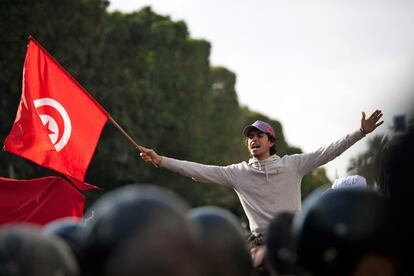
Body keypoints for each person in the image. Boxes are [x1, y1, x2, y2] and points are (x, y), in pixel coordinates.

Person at [139, 110, 383, 264]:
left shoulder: (293, 164)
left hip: (293, 241)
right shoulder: (237, 173)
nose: (253, 140)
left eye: (259, 135)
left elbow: (328, 151)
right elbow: (198, 169)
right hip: (259, 245)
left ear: (271, 141)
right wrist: (161, 160)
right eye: (250, 137)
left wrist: (360, 132)